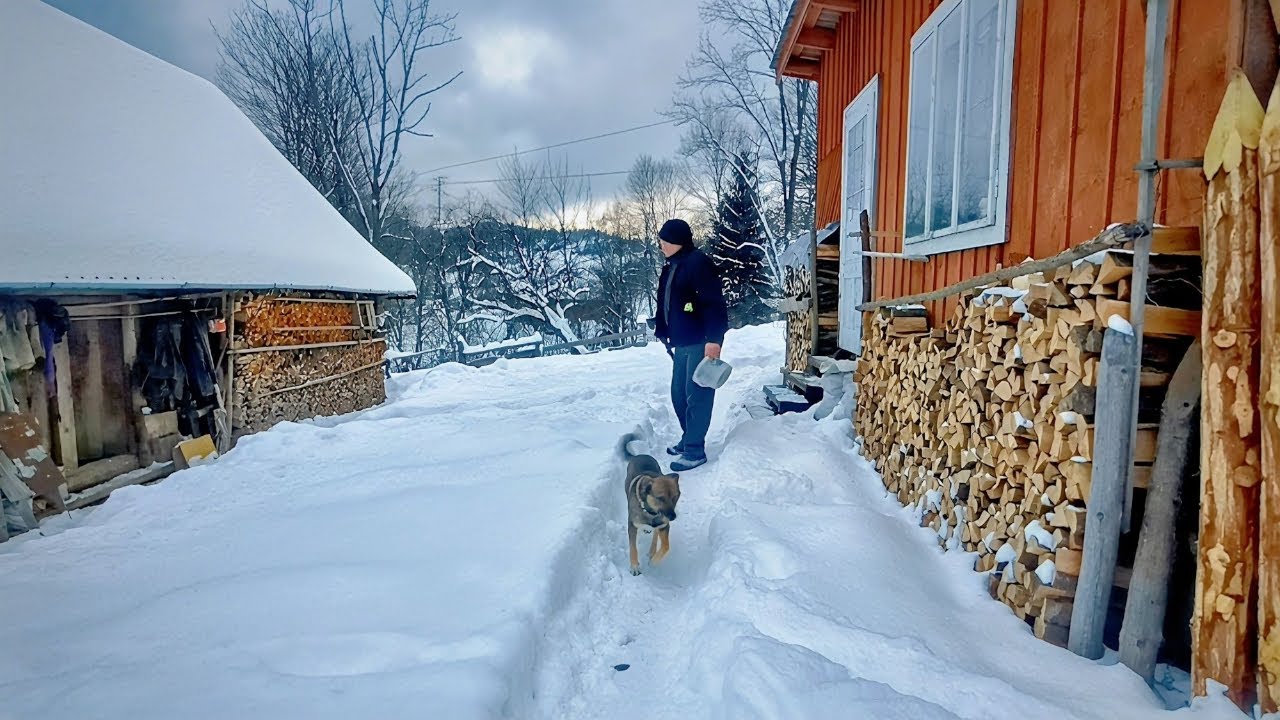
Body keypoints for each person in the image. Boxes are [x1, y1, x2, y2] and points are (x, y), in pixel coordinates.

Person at [653, 218, 728, 471]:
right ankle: (688, 439)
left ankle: (695, 450)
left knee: (697, 396)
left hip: (701, 341)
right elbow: (667, 302)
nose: (661, 245)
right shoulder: (673, 265)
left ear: (676, 241)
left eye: (664, 241)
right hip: (683, 341)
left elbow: (714, 304)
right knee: (679, 395)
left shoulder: (698, 263)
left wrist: (714, 340)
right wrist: (662, 329)